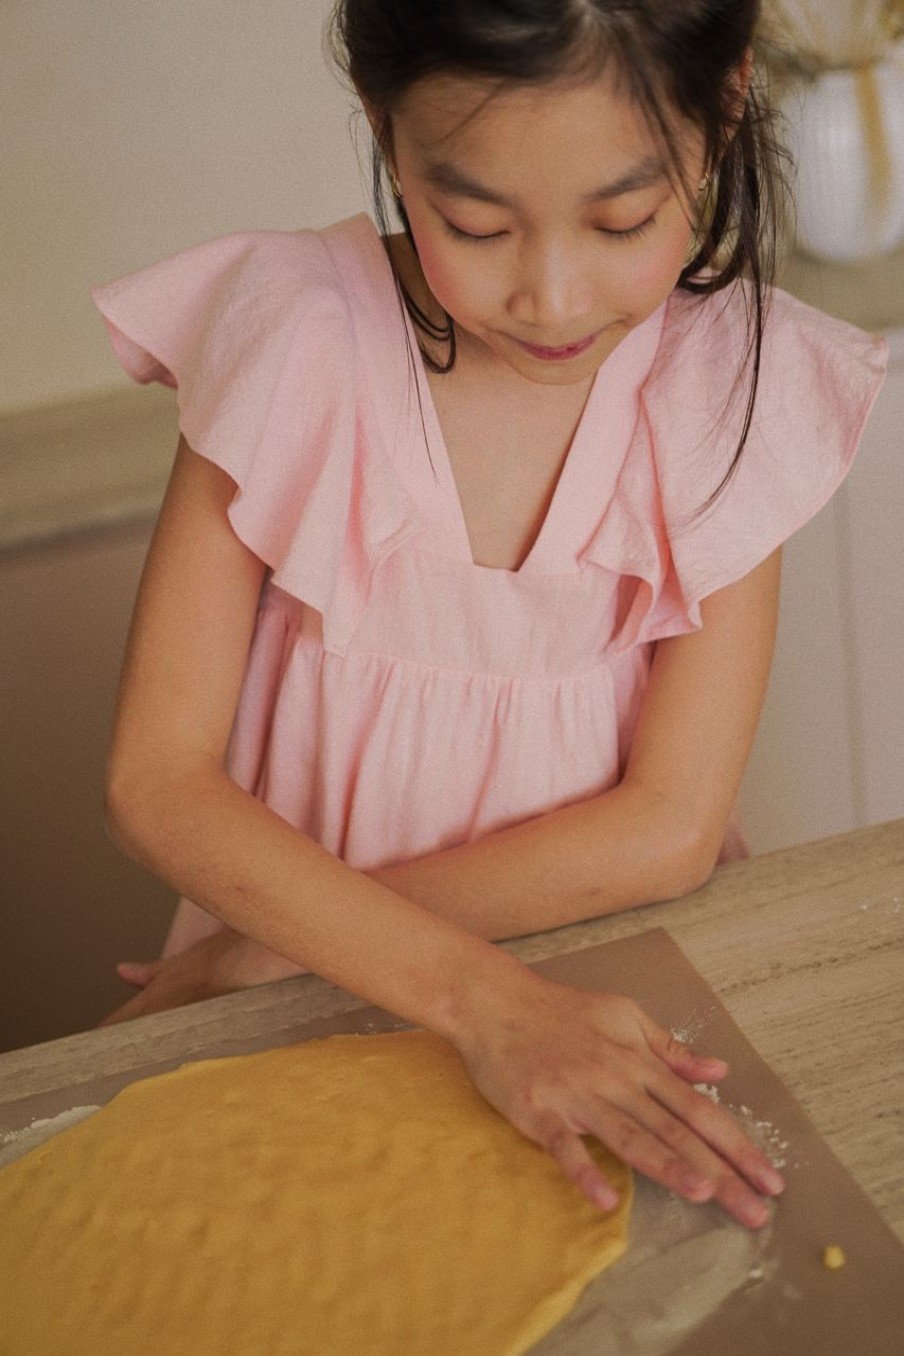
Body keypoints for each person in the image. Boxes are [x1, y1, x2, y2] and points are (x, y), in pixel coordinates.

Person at [92, 0, 886, 1231]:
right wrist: (445, 992)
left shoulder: (736, 385)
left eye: (621, 220)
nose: (551, 295)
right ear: (385, 130)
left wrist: (271, 950)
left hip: (552, 964)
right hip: (313, 966)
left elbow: (667, 828)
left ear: (723, 106)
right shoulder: (293, 336)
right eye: (474, 222)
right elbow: (157, 783)